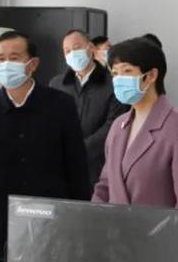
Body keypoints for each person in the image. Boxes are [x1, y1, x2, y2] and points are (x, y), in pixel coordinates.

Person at [0, 30, 91, 262]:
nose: (6, 64)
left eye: (14, 58)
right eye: (0, 58)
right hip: (3, 227)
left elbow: (77, 168)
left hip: (54, 223)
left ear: (32, 64)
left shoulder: (61, 105)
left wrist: (78, 220)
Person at [92, 37, 178, 262]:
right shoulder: (118, 126)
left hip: (160, 255)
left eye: (127, 71)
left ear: (151, 75)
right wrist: (94, 235)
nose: (118, 80)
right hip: (116, 254)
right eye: (115, 73)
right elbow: (105, 186)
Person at [49, 29, 129, 187]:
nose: (72, 54)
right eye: (67, 51)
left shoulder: (112, 83)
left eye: (77, 47)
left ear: (91, 48)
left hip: (99, 166)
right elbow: (50, 122)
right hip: (63, 167)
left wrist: (80, 149)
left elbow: (113, 124)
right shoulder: (57, 84)